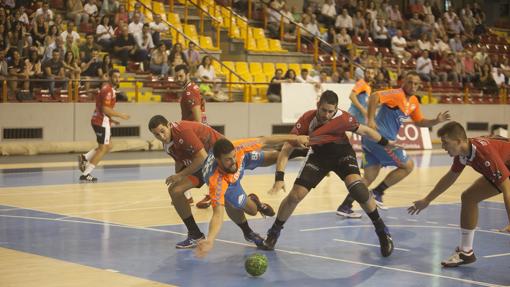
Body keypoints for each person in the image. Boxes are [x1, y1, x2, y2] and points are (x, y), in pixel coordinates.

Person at [260, 90, 396, 257]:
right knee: (295, 195)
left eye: (330, 111)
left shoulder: (344, 118)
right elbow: (287, 147)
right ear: (318, 105)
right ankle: (274, 232)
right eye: (323, 110)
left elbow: (366, 131)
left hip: (342, 155)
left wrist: (386, 143)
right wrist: (279, 177)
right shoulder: (307, 120)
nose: (326, 114)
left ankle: (382, 231)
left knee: (358, 190)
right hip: (318, 157)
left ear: (336, 109)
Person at [148, 115, 268, 249]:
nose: (161, 136)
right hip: (202, 166)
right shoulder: (167, 144)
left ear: (169, 125)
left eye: (162, 131)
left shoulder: (183, 132)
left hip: (217, 161)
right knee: (175, 191)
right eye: (156, 134)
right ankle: (195, 234)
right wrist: (178, 178)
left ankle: (248, 228)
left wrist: (180, 175)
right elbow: (180, 160)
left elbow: (202, 157)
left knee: (244, 207)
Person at [336, 72, 450, 212]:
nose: (413, 86)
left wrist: (436, 121)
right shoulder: (396, 94)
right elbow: (374, 96)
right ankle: (377, 192)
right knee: (408, 165)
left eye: (416, 83)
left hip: (370, 140)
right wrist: (371, 119)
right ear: (403, 82)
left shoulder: (413, 102)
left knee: (369, 177)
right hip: (380, 139)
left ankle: (345, 206)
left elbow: (419, 122)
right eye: (410, 82)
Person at [408, 121, 510, 267]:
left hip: (506, 166)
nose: (443, 147)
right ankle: (466, 252)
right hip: (506, 164)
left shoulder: (485, 154)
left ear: (458, 141)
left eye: (445, 143)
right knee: (469, 197)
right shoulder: (463, 154)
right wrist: (427, 200)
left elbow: (507, 190)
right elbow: (450, 177)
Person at [195, 134, 309, 257]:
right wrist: (210, 239)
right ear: (218, 160)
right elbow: (218, 214)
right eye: (228, 159)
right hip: (229, 184)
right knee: (251, 210)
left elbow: (264, 140)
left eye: (233, 156)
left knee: (276, 156)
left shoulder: (238, 149)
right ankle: (248, 232)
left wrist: (294, 138)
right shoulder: (217, 182)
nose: (233, 161)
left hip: (244, 158)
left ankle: (307, 153)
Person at [335, 67, 376, 218]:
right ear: (365, 74)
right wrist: (364, 111)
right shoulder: (361, 83)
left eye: (373, 72)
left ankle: (348, 204)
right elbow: (352, 96)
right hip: (350, 119)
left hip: (357, 123)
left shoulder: (369, 88)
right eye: (369, 72)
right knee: (337, 143)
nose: (371, 74)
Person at [78, 69, 130, 182]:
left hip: (102, 120)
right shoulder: (108, 91)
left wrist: (112, 120)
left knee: (109, 146)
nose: (117, 79)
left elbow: (105, 109)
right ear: (109, 77)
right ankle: (86, 174)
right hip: (101, 122)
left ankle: (85, 157)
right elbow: (105, 109)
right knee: (103, 148)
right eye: (115, 76)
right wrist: (121, 115)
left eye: (118, 77)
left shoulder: (110, 90)